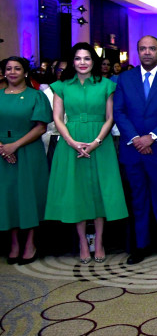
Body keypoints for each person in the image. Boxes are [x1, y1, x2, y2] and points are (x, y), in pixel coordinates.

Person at [45, 43, 127, 264]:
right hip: (71, 142)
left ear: (94, 61)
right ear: (73, 61)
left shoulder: (107, 85)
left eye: (87, 58)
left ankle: (99, 241)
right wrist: (71, 142)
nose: (83, 62)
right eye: (78, 58)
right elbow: (57, 118)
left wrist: (96, 141)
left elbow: (110, 117)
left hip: (100, 142)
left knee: (99, 192)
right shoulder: (61, 86)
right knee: (77, 193)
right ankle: (83, 242)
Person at [114, 35, 157, 265]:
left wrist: (151, 138)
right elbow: (119, 112)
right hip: (133, 149)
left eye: (151, 49)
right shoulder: (124, 78)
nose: (147, 52)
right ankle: (140, 246)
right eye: (142, 49)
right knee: (138, 200)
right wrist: (136, 138)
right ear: (137, 51)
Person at [1, 57, 52, 265]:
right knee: (8, 197)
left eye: (17, 68)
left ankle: (30, 243)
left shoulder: (36, 96)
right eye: (8, 69)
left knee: (28, 195)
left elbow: (41, 127)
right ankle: (13, 244)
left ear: (25, 72)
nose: (13, 72)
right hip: (2, 153)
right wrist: (3, 147)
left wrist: (14, 145)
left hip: (28, 151)